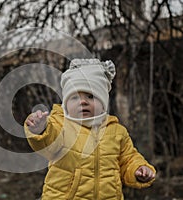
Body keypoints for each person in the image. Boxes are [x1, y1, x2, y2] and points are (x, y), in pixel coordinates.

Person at [24, 59, 156, 200]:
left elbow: (128, 159)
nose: (83, 101)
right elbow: (49, 143)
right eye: (74, 97)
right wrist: (41, 129)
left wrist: (138, 169)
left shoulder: (117, 132)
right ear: (65, 104)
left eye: (90, 96)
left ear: (103, 101)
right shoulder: (60, 125)